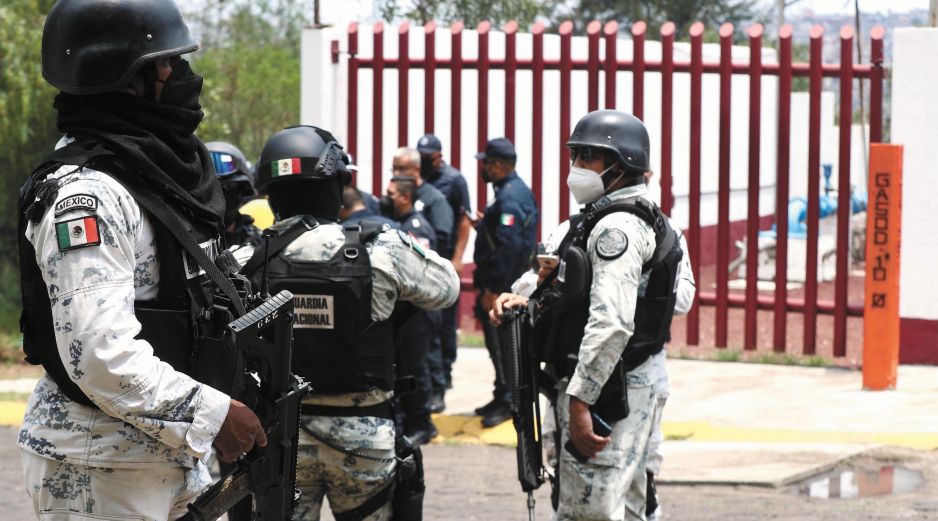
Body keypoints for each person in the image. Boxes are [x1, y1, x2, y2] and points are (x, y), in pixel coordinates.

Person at [17, 1, 267, 519]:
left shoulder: (152, 176)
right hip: (96, 468)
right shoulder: (86, 195)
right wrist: (216, 413)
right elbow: (99, 354)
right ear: (126, 77)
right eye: (165, 63)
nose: (180, 75)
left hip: (167, 457)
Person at [238, 125, 460, 520]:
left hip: (283, 440)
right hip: (363, 440)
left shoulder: (248, 260)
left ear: (269, 194)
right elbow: (447, 289)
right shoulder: (381, 250)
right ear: (338, 184)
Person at [489, 110, 684, 520]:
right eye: (574, 155)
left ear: (621, 164)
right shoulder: (588, 222)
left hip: (608, 387)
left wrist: (582, 400)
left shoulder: (619, 230)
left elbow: (613, 320)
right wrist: (525, 293)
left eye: (587, 157)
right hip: (621, 379)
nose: (576, 167)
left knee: (586, 509)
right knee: (632, 498)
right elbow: (550, 277)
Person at [472, 137, 538, 428]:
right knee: (496, 346)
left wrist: (494, 290)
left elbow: (510, 246)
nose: (483, 168)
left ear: (497, 166)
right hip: (501, 285)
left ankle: (511, 403)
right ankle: (502, 395)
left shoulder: (511, 196)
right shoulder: (508, 192)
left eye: (486, 163)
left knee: (505, 348)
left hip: (503, 289)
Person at [642, 170, 696, 521]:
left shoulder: (666, 233)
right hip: (628, 361)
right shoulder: (575, 228)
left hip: (640, 362)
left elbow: (684, 300)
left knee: (642, 465)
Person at [416, 134, 473, 412]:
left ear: (439, 155)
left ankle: (444, 377)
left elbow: (465, 220)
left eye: (429, 156)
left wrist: (459, 257)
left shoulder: (454, 180)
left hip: (445, 258)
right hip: (420, 261)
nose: (425, 161)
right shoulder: (417, 179)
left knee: (445, 324)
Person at [385, 177, 440, 444]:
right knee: (405, 364)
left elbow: (420, 272)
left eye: (391, 194)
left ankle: (423, 423)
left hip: (418, 310)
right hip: (404, 310)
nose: (387, 198)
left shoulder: (417, 227)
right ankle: (410, 419)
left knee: (416, 366)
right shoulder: (400, 225)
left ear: (406, 197)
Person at [206, 141, 262, 248]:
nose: (219, 196)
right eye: (211, 190)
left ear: (242, 190)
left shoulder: (257, 242)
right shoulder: (186, 242)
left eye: (227, 187)